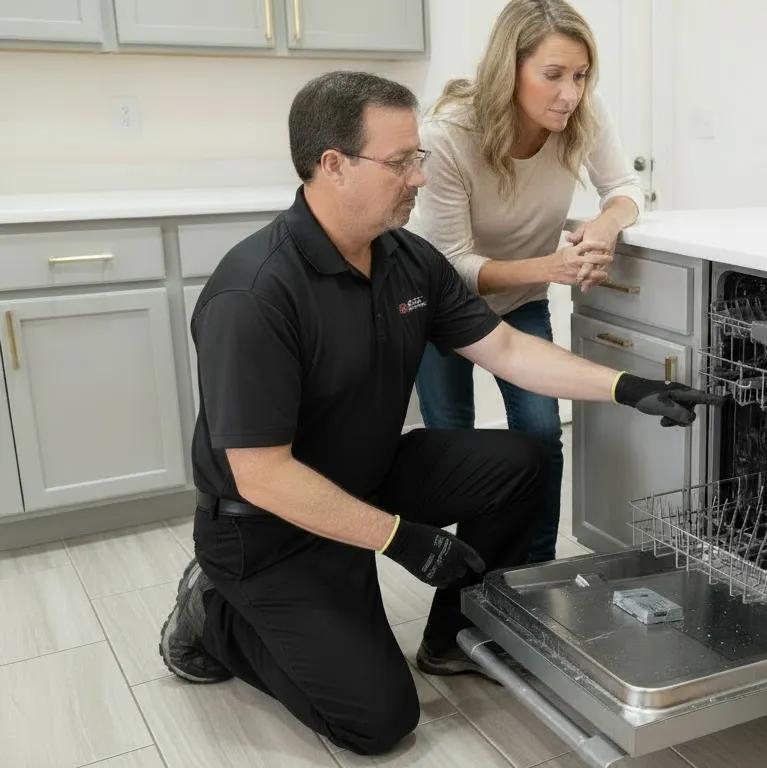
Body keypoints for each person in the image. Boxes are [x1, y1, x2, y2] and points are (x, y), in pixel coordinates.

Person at [157, 70, 718, 756]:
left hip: (365, 474)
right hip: (269, 529)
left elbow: (507, 348)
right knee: (380, 720)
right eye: (401, 162)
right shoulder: (255, 293)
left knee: (523, 457)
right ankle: (216, 617)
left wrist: (626, 387)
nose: (418, 178)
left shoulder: (406, 260)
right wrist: (399, 538)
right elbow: (264, 476)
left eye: (416, 158)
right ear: (333, 166)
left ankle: (459, 633)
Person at [409, 0, 642, 563]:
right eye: (553, 75)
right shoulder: (446, 137)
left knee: (541, 433)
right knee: (454, 446)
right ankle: (465, 583)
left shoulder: (582, 115)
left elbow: (626, 186)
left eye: (581, 75)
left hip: (520, 301)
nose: (571, 93)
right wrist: (550, 267)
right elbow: (452, 265)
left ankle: (536, 573)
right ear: (508, 70)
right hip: (441, 310)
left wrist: (606, 223)